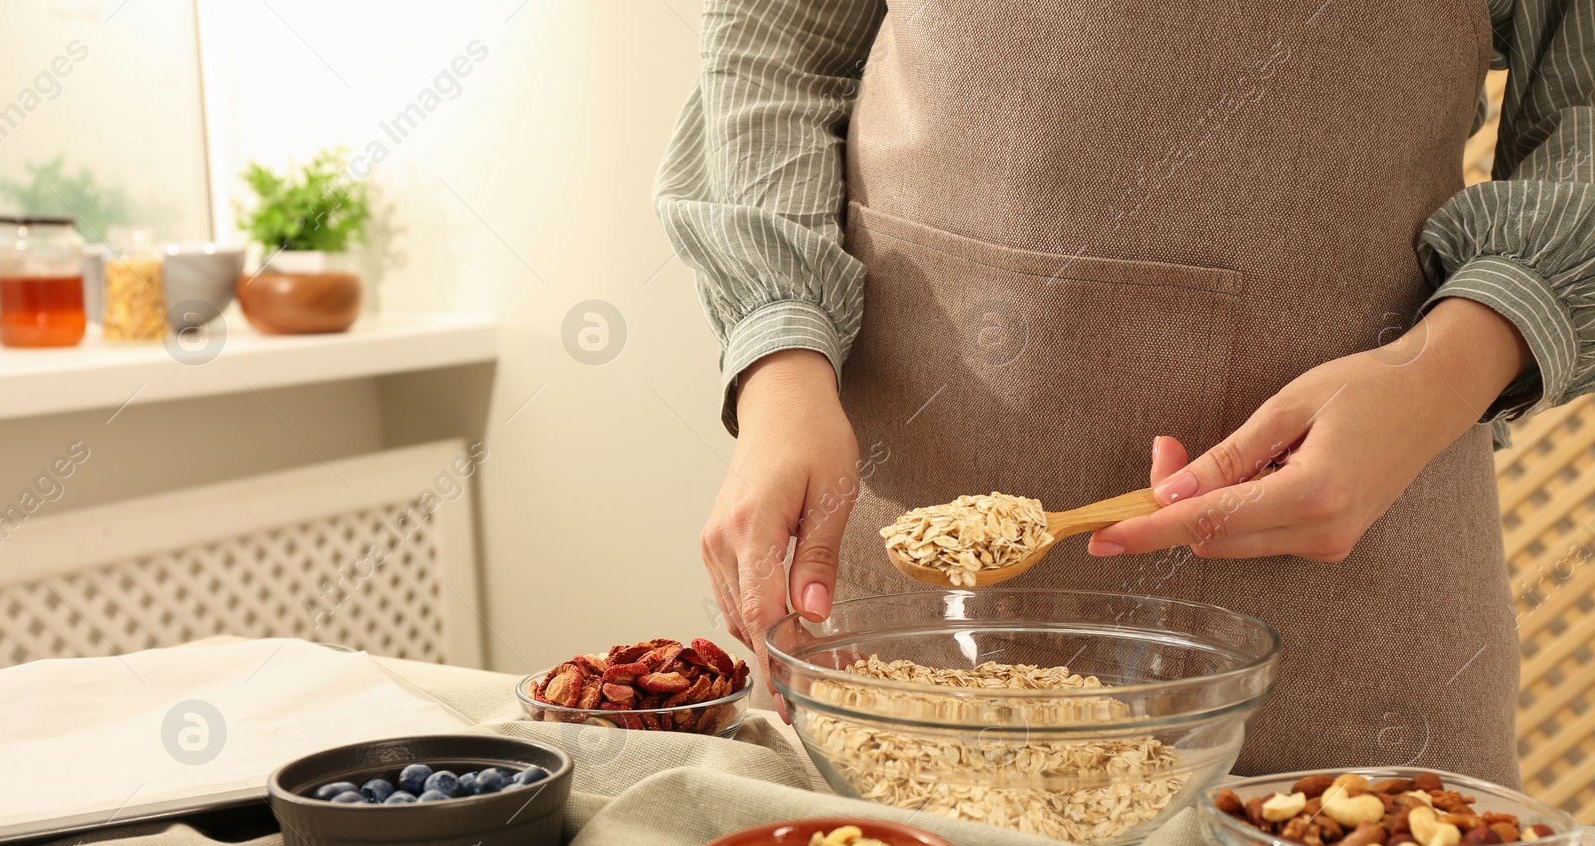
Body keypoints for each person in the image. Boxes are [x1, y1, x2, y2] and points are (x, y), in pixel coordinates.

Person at [655, 0, 1595, 786]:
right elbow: (776, 45)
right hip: (901, 584)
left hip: (1342, 601)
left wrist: (1440, 373)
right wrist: (780, 362)